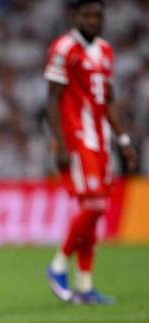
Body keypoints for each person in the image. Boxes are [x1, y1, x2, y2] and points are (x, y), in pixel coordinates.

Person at [45, 0, 137, 305]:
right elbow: (52, 99)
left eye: (98, 15)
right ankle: (58, 265)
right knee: (95, 205)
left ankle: (84, 286)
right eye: (87, 15)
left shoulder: (105, 50)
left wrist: (123, 139)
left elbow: (108, 99)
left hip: (101, 140)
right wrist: (60, 143)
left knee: (94, 211)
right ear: (75, 16)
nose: (93, 20)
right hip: (77, 139)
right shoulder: (64, 48)